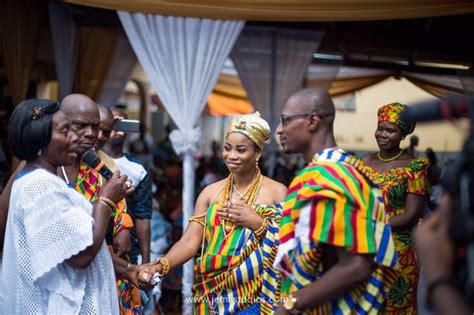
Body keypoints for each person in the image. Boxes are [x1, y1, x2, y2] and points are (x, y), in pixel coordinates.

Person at [138, 112, 287, 314]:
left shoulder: (277, 193)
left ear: (258, 152)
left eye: (241, 150)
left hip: (254, 298)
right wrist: (160, 265)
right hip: (211, 297)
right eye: (227, 148)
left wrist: (258, 224)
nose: (232, 155)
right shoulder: (210, 193)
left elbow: (290, 248)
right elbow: (190, 241)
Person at [273, 88, 398, 314]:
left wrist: (290, 304)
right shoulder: (343, 169)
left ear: (312, 121)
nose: (280, 129)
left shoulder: (328, 177)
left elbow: (355, 266)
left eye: (285, 120)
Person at [1, 99, 132, 313]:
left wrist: (128, 270)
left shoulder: (42, 181)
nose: (75, 138)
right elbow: (82, 255)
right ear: (41, 140)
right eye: (66, 131)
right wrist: (106, 200)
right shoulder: (40, 187)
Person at [362, 102, 430, 314]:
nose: (383, 134)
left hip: (399, 250)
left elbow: (412, 214)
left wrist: (373, 224)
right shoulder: (362, 163)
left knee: (396, 305)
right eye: (380, 128)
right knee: (365, 303)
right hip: (365, 246)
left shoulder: (414, 167)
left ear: (403, 135)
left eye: (390, 130)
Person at [103, 107, 152, 265]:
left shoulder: (138, 168)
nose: (116, 128)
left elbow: (142, 216)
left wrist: (146, 260)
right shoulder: (86, 158)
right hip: (94, 241)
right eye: (112, 123)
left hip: (126, 247)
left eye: (121, 123)